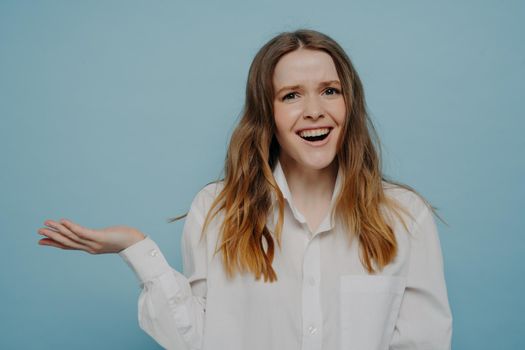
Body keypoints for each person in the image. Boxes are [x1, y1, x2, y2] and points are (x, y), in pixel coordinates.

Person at [37, 29, 453, 350]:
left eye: (330, 90)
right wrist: (139, 250)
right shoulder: (216, 211)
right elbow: (196, 341)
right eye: (291, 95)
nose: (314, 110)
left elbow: (424, 343)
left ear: (350, 104)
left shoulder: (404, 216)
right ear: (266, 114)